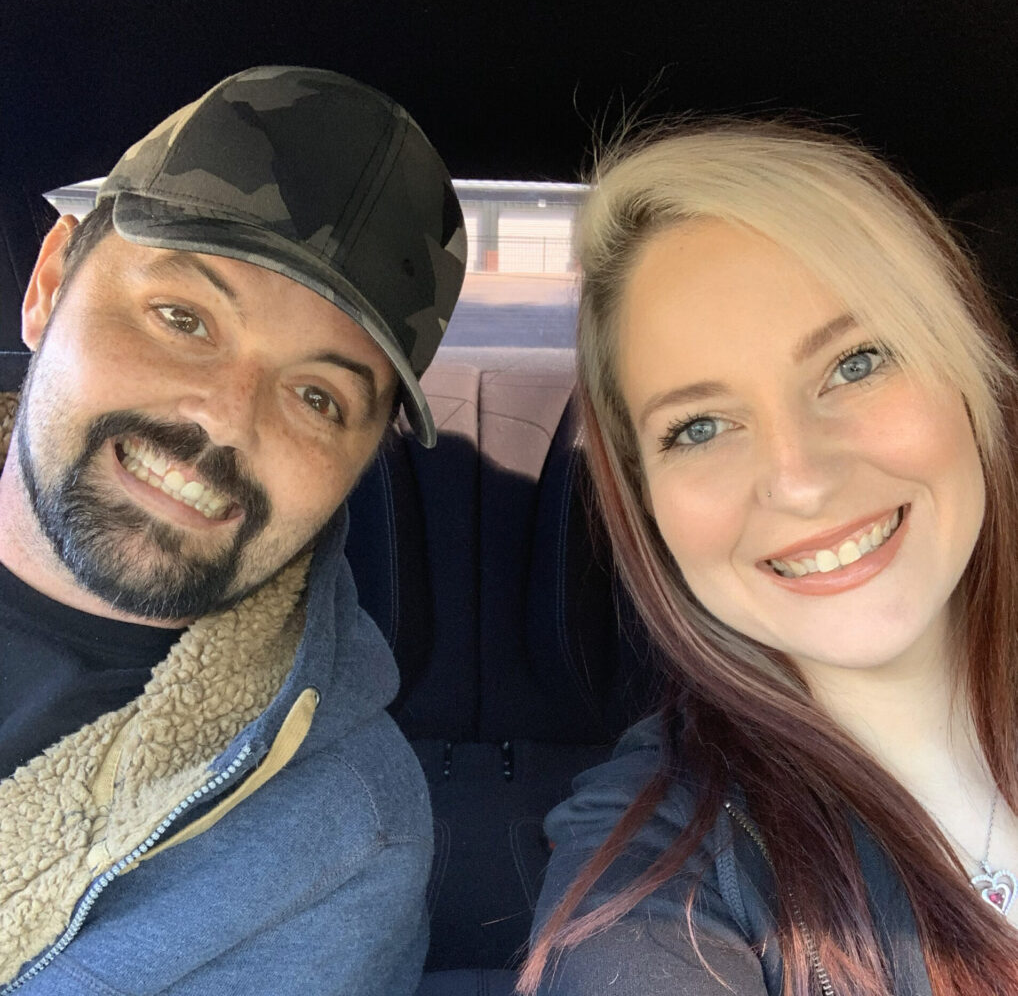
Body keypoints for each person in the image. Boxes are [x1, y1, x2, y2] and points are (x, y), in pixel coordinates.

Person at [519, 121, 1018, 996]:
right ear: (647, 501)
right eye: (699, 427)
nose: (799, 480)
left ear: (972, 364)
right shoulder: (651, 877)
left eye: (855, 363)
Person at [0, 66, 466, 994]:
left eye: (318, 397)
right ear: (50, 283)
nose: (227, 418)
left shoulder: (332, 847)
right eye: (184, 317)